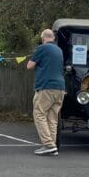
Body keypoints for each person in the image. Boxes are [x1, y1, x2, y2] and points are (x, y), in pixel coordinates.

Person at [26, 29, 67, 157]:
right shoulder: (59, 50)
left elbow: (29, 66)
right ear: (53, 38)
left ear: (43, 38)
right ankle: (52, 146)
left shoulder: (42, 48)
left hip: (46, 87)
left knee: (39, 113)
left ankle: (48, 145)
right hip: (60, 88)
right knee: (52, 118)